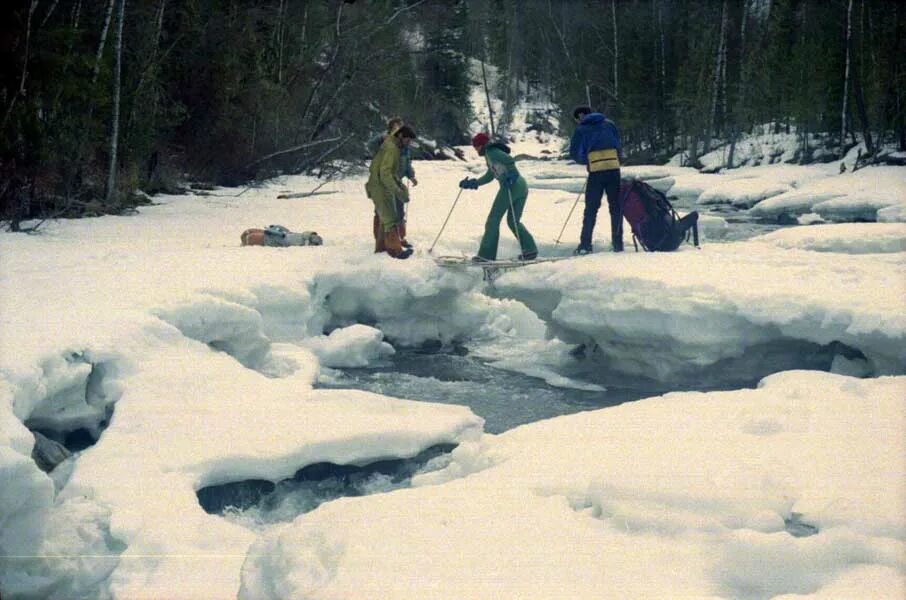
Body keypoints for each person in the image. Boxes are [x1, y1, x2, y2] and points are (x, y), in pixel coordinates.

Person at [458, 133, 538, 262]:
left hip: (510, 187)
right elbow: (490, 175)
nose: (476, 149)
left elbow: (509, 160)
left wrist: (512, 174)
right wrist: (474, 183)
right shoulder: (490, 155)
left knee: (493, 220)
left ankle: (486, 255)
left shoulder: (492, 152)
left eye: (476, 147)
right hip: (521, 186)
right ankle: (530, 250)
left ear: (481, 145)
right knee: (513, 221)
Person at [569, 105, 623, 253]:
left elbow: (574, 152)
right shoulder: (610, 124)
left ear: (580, 116)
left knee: (591, 209)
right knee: (616, 207)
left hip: (596, 172)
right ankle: (618, 244)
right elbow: (618, 145)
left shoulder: (581, 129)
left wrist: (587, 160)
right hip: (614, 169)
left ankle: (585, 245)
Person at [366, 125, 417, 259]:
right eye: (408, 140)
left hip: (380, 184)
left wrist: (400, 185)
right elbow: (385, 173)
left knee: (386, 218)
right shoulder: (391, 148)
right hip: (380, 185)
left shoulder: (393, 146)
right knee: (390, 219)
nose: (409, 143)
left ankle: (381, 250)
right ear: (400, 136)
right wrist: (397, 190)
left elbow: (392, 172)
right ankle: (395, 251)